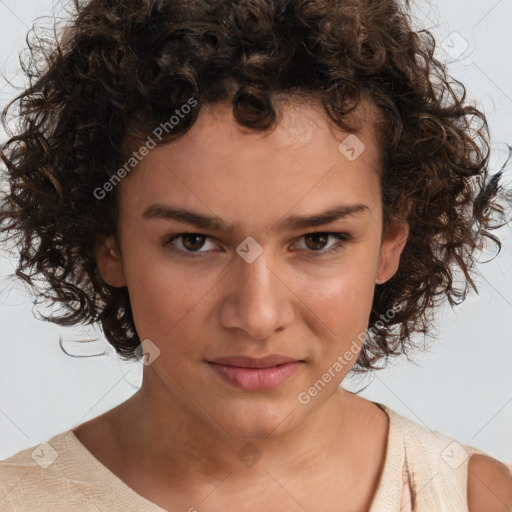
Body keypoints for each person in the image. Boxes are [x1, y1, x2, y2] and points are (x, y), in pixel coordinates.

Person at [1, 0, 511, 510]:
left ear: (390, 243)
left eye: (318, 240)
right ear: (108, 246)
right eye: (193, 242)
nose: (258, 317)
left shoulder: (478, 498)